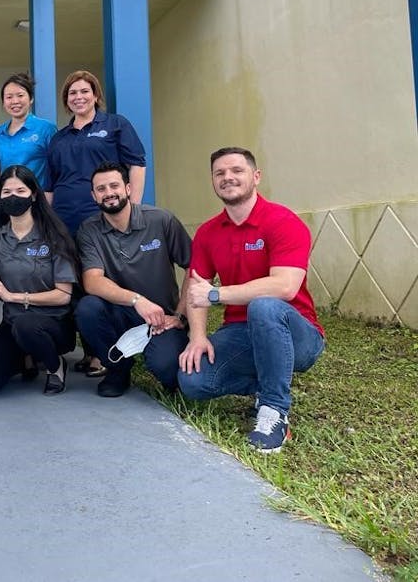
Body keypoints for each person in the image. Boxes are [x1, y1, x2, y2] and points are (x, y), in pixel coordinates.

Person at [178, 147, 326, 453]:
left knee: (265, 305)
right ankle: (267, 383)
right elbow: (196, 287)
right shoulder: (207, 233)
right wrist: (197, 336)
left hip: (297, 336)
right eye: (219, 173)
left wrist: (218, 294)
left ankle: (274, 411)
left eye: (237, 170)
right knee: (193, 380)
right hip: (241, 331)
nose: (228, 178)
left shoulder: (283, 221)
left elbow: (285, 287)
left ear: (256, 177)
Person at [74, 162, 190, 397]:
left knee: (166, 368)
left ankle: (165, 357)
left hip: (162, 318)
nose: (109, 193)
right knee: (87, 308)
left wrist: (179, 316)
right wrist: (137, 300)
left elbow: (194, 268)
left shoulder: (161, 220)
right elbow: (92, 281)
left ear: (128, 188)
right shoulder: (89, 230)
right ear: (94, 195)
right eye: (101, 189)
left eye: (114, 186)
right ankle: (118, 369)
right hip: (122, 313)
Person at [0, 165, 78, 398]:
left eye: (20, 190)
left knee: (26, 325)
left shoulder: (54, 236)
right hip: (13, 325)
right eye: (7, 192)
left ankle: (55, 366)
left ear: (34, 195)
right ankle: (23, 359)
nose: (13, 197)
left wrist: (15, 297)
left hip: (52, 324)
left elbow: (63, 295)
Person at [47, 70, 146, 236]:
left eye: (85, 91)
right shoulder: (58, 138)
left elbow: (137, 165)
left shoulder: (116, 124)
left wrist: (133, 210)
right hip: (63, 220)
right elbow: (49, 186)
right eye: (72, 93)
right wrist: (47, 221)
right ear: (66, 100)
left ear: (95, 96)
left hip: (105, 216)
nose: (78, 97)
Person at [0, 73, 57, 191]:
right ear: (3, 102)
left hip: (39, 198)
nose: (15, 101)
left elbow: (56, 166)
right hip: (9, 200)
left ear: (31, 98)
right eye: (9, 97)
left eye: (20, 95)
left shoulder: (46, 128)